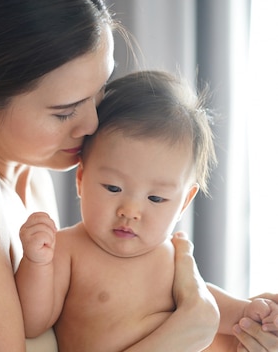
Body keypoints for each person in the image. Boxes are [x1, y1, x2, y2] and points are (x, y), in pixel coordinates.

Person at [0, 0, 278, 352]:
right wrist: (187, 330)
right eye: (64, 111)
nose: (93, 123)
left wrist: (235, 332)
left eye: (98, 94)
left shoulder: (31, 177)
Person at [15, 70, 278, 351]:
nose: (130, 211)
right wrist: (37, 263)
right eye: (113, 188)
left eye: (155, 198)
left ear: (184, 203)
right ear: (81, 179)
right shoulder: (68, 249)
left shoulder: (172, 255)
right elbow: (33, 322)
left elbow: (203, 301)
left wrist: (245, 313)